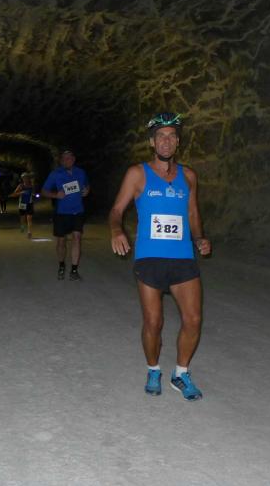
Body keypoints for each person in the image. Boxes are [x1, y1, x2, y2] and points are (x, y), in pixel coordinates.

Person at [108, 112, 211, 401]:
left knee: (193, 319)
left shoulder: (188, 176)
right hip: (150, 257)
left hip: (182, 257)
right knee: (154, 322)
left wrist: (200, 238)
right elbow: (116, 210)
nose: (166, 141)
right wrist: (116, 230)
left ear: (178, 142)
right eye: (161, 136)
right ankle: (153, 369)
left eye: (172, 136)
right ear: (152, 142)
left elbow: (192, 213)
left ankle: (181, 373)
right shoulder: (137, 174)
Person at [40, 150, 90, 280]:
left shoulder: (81, 172)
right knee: (61, 241)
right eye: (64, 159)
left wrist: (87, 190)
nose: (67, 160)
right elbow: (44, 191)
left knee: (77, 237)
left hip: (78, 211)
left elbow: (86, 185)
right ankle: (61, 265)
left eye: (69, 158)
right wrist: (55, 195)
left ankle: (74, 270)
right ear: (61, 161)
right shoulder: (55, 174)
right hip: (61, 213)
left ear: (73, 159)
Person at [10, 172, 35, 238]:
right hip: (22, 203)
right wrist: (21, 193)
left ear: (28, 178)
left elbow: (34, 193)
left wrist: (34, 194)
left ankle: (29, 232)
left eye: (26, 178)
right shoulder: (20, 186)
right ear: (22, 179)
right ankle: (22, 225)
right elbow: (13, 194)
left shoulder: (31, 185)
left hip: (29, 203)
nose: (25, 179)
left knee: (29, 218)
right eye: (24, 178)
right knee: (22, 217)